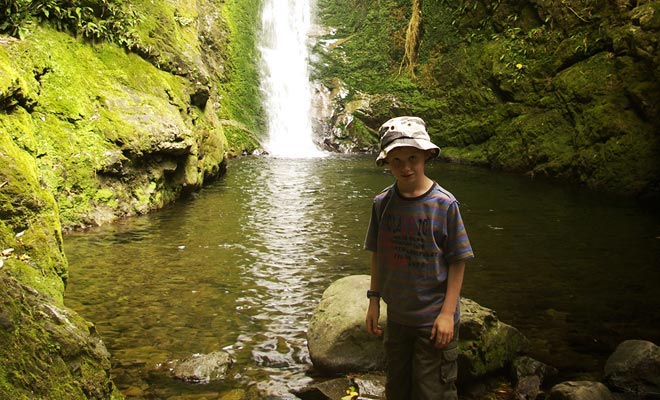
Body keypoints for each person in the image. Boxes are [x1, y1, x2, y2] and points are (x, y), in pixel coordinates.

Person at [364, 116, 474, 400]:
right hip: (398, 319)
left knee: (432, 392)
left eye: (413, 157)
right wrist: (374, 300)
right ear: (386, 161)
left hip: (433, 319)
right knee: (397, 388)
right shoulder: (382, 204)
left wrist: (448, 314)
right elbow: (377, 254)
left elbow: (458, 260)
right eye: (397, 160)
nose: (406, 167)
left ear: (427, 155)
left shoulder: (444, 204)